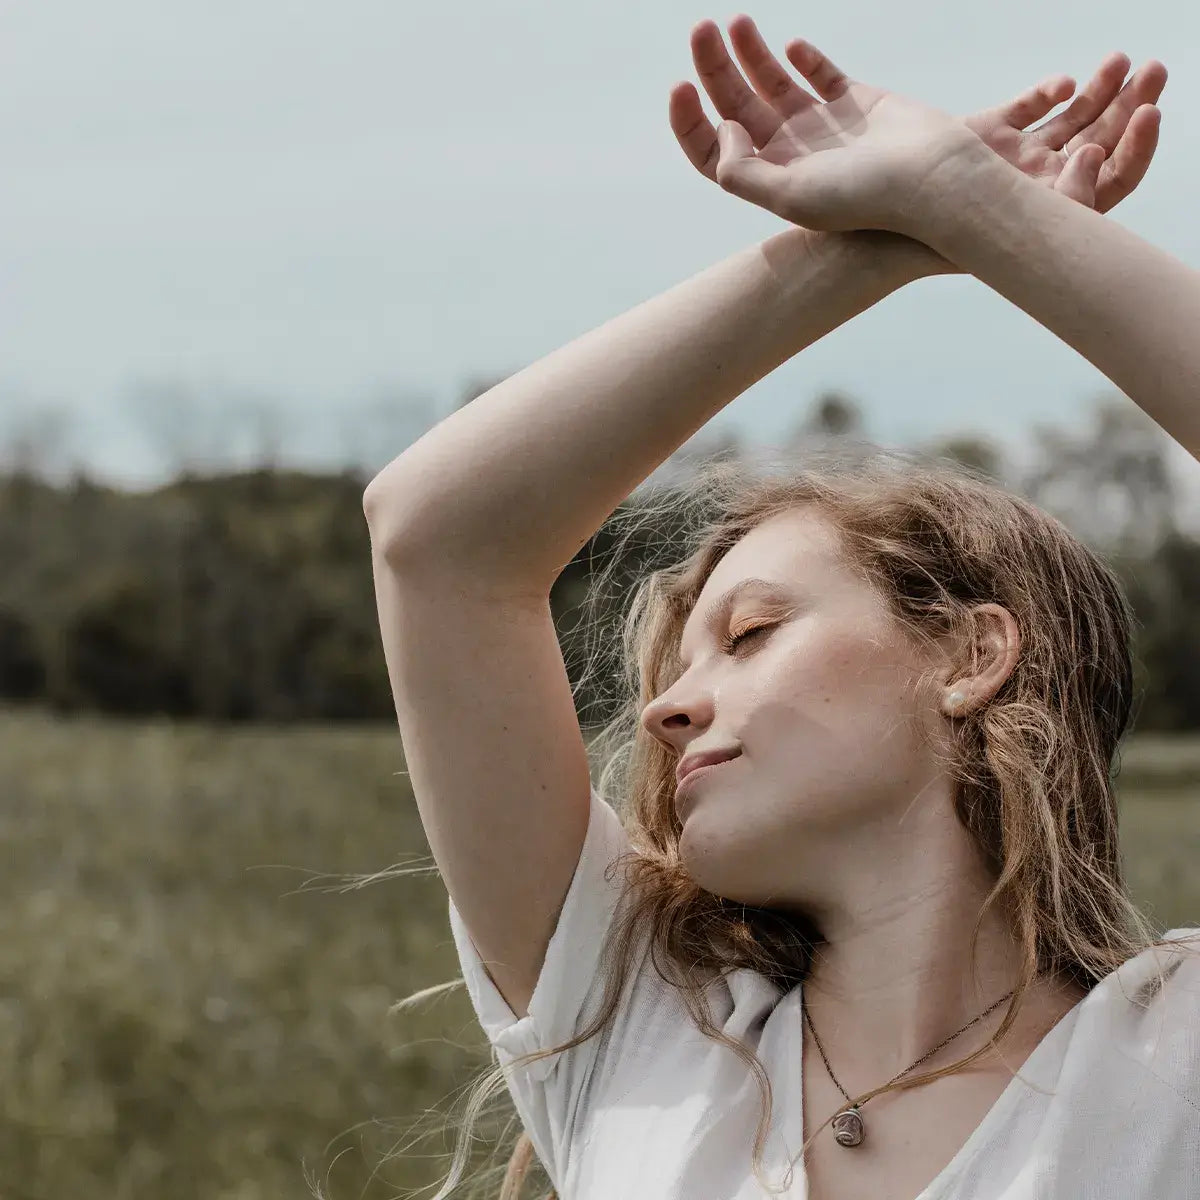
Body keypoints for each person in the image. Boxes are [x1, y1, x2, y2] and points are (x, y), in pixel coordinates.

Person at [360, 15, 1198, 1200]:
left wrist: (974, 206)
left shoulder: (1171, 1063)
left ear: (970, 654)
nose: (666, 713)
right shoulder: (640, 1031)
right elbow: (436, 542)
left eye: (751, 634)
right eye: (671, 676)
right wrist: (868, 245)